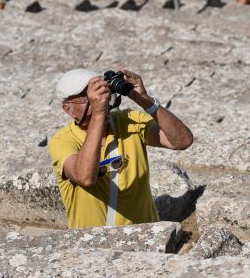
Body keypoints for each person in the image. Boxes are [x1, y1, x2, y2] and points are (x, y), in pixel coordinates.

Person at [48, 68, 193, 229]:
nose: (100, 100)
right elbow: (85, 177)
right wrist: (98, 114)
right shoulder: (62, 141)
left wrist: (145, 100)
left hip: (145, 237)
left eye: (101, 92)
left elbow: (182, 141)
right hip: (93, 245)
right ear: (68, 109)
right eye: (87, 97)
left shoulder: (129, 120)